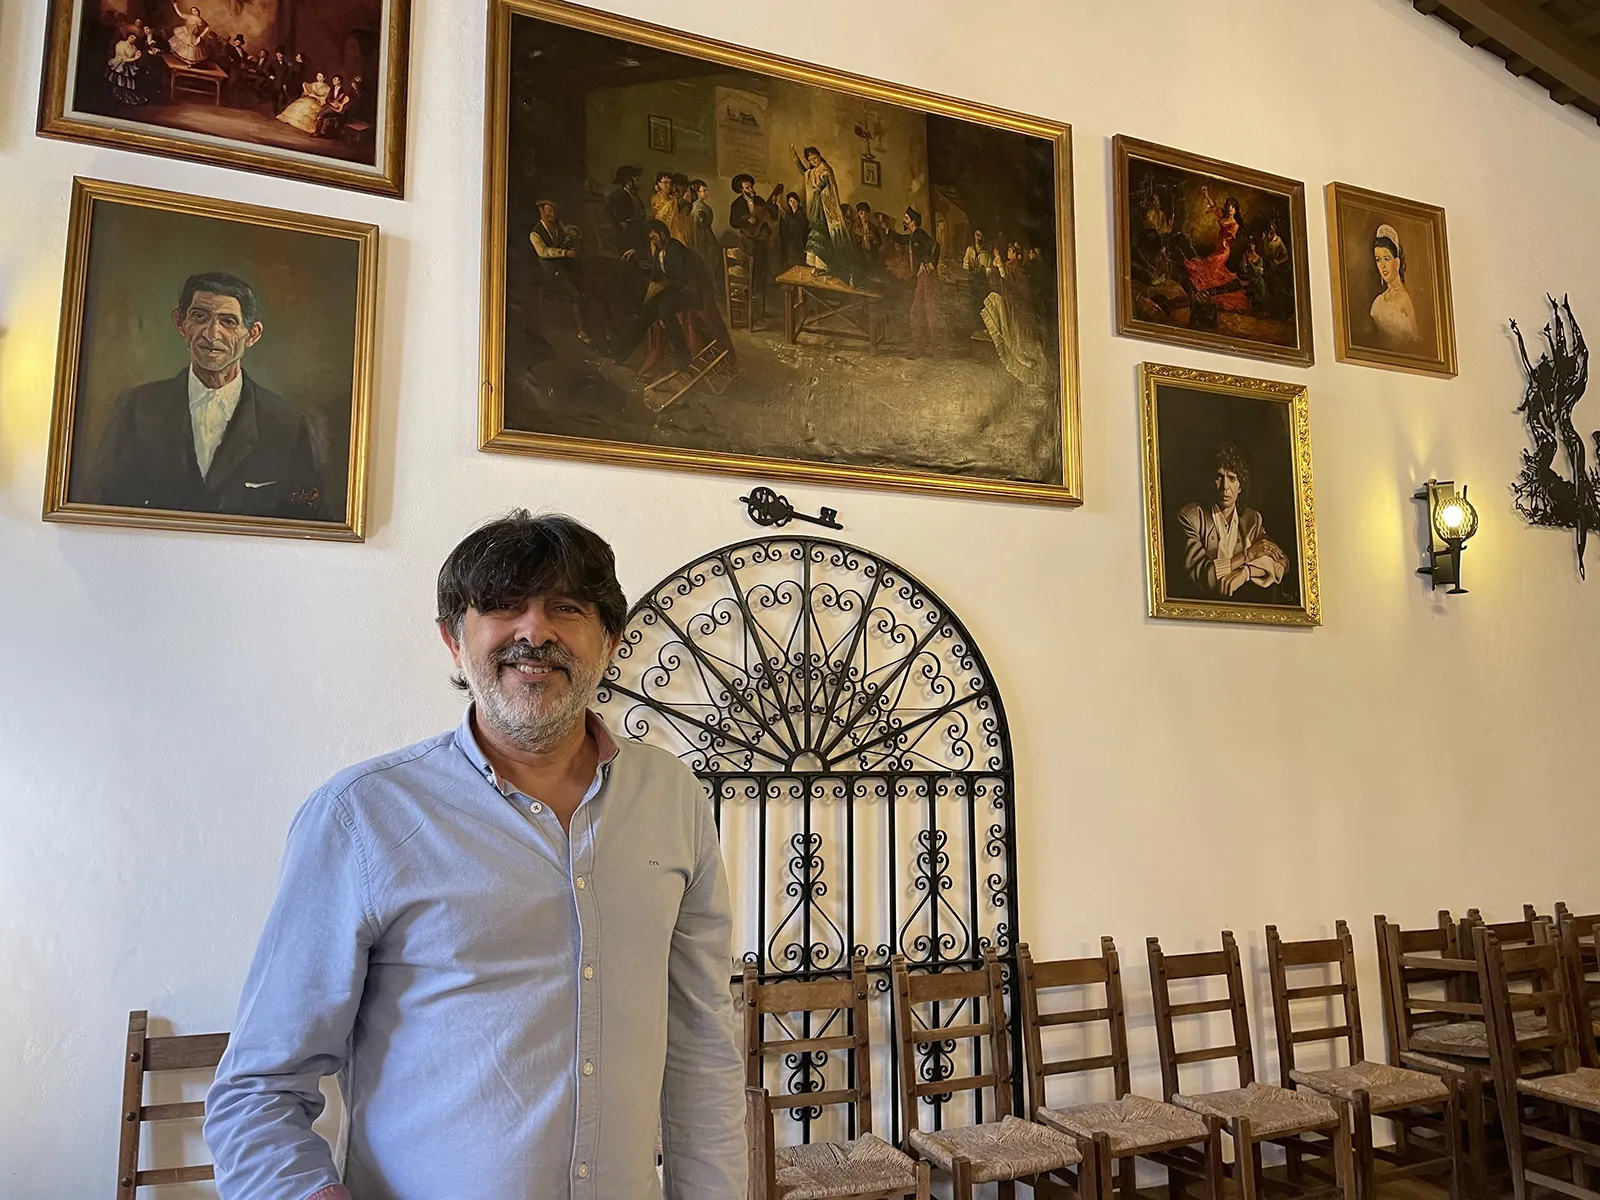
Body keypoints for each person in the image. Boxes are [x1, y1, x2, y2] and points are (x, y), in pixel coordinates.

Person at [204, 511, 747, 1200]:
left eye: (567, 609)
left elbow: (703, 1050)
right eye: (501, 607)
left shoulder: (673, 797)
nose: (535, 632)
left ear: (608, 641)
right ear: (452, 641)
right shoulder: (361, 816)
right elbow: (260, 1088)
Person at [89, 271, 324, 520]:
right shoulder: (136, 409)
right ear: (180, 323)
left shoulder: (287, 425)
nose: (212, 334)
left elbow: (306, 516)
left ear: (252, 334)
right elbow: (102, 504)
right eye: (200, 317)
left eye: (228, 322)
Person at [611, 220, 733, 377]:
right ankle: (621, 352)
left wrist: (663, 289)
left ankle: (683, 357)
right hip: (676, 289)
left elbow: (679, 278)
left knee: (665, 309)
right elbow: (656, 275)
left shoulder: (675, 248)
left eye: (654, 237)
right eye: (651, 239)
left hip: (690, 291)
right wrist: (637, 260)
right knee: (646, 312)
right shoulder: (659, 252)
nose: (653, 241)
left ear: (662, 234)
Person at [1177, 442, 1287, 598]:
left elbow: (1281, 563)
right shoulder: (1192, 517)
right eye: (1219, 477)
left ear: (1240, 486)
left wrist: (1245, 573)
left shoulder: (1252, 519)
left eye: (1232, 478)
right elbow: (1203, 576)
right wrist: (1247, 556)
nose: (1225, 487)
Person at [529, 199, 592, 344]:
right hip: (549, 270)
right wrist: (565, 253)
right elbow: (543, 252)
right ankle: (581, 330)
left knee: (586, 283)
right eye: (549, 210)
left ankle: (593, 326)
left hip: (564, 267)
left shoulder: (559, 226)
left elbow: (573, 232)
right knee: (575, 292)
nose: (552, 214)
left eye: (554, 210)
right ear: (541, 210)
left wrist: (574, 234)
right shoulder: (535, 233)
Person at [791, 144, 855, 280]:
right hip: (817, 204)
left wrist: (818, 190)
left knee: (822, 232)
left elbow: (825, 180)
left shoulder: (825, 169)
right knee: (815, 232)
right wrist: (797, 160)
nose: (815, 161)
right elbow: (804, 172)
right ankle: (816, 265)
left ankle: (823, 266)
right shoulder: (813, 171)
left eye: (816, 157)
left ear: (819, 155)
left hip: (825, 207)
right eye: (811, 160)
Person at [1181, 187, 1249, 313]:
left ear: (1236, 209)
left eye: (1232, 207)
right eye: (1229, 205)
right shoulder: (1224, 215)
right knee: (1210, 267)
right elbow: (1214, 207)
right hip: (1218, 247)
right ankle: (1207, 291)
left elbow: (1232, 235)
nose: (1230, 208)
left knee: (1210, 265)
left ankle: (1208, 291)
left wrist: (1227, 237)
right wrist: (1206, 194)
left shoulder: (1235, 223)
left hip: (1224, 250)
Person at [889, 207, 941, 353]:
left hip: (927, 276)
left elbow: (936, 246)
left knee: (929, 310)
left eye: (906, 218)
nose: (904, 221)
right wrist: (887, 231)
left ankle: (935, 349)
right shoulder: (912, 236)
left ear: (912, 221)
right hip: (920, 276)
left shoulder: (919, 233)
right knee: (916, 310)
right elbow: (901, 238)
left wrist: (931, 263)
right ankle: (920, 348)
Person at [1370, 223, 1420, 347]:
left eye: (1387, 259)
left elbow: (1416, 338)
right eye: (1378, 260)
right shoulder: (1378, 300)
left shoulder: (1404, 299)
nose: (1382, 266)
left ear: (1397, 262)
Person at [105, 32, 152, 105]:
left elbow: (135, 57)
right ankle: (117, 95)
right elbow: (124, 59)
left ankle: (127, 96)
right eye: (132, 37)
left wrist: (138, 56)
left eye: (134, 38)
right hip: (120, 64)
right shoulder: (120, 44)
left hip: (130, 66)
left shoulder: (134, 48)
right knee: (119, 81)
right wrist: (135, 58)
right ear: (128, 37)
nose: (133, 39)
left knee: (129, 84)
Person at [688, 179, 720, 275]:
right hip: (703, 238)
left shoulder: (701, 206)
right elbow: (701, 226)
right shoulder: (699, 208)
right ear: (697, 192)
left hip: (705, 236)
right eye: (704, 190)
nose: (707, 192)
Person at [777, 191, 809, 273]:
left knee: (798, 263)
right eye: (790, 201)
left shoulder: (801, 213)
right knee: (789, 264)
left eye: (795, 201)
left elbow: (797, 226)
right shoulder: (789, 213)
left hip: (799, 242)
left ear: (798, 202)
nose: (793, 204)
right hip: (790, 243)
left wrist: (784, 214)